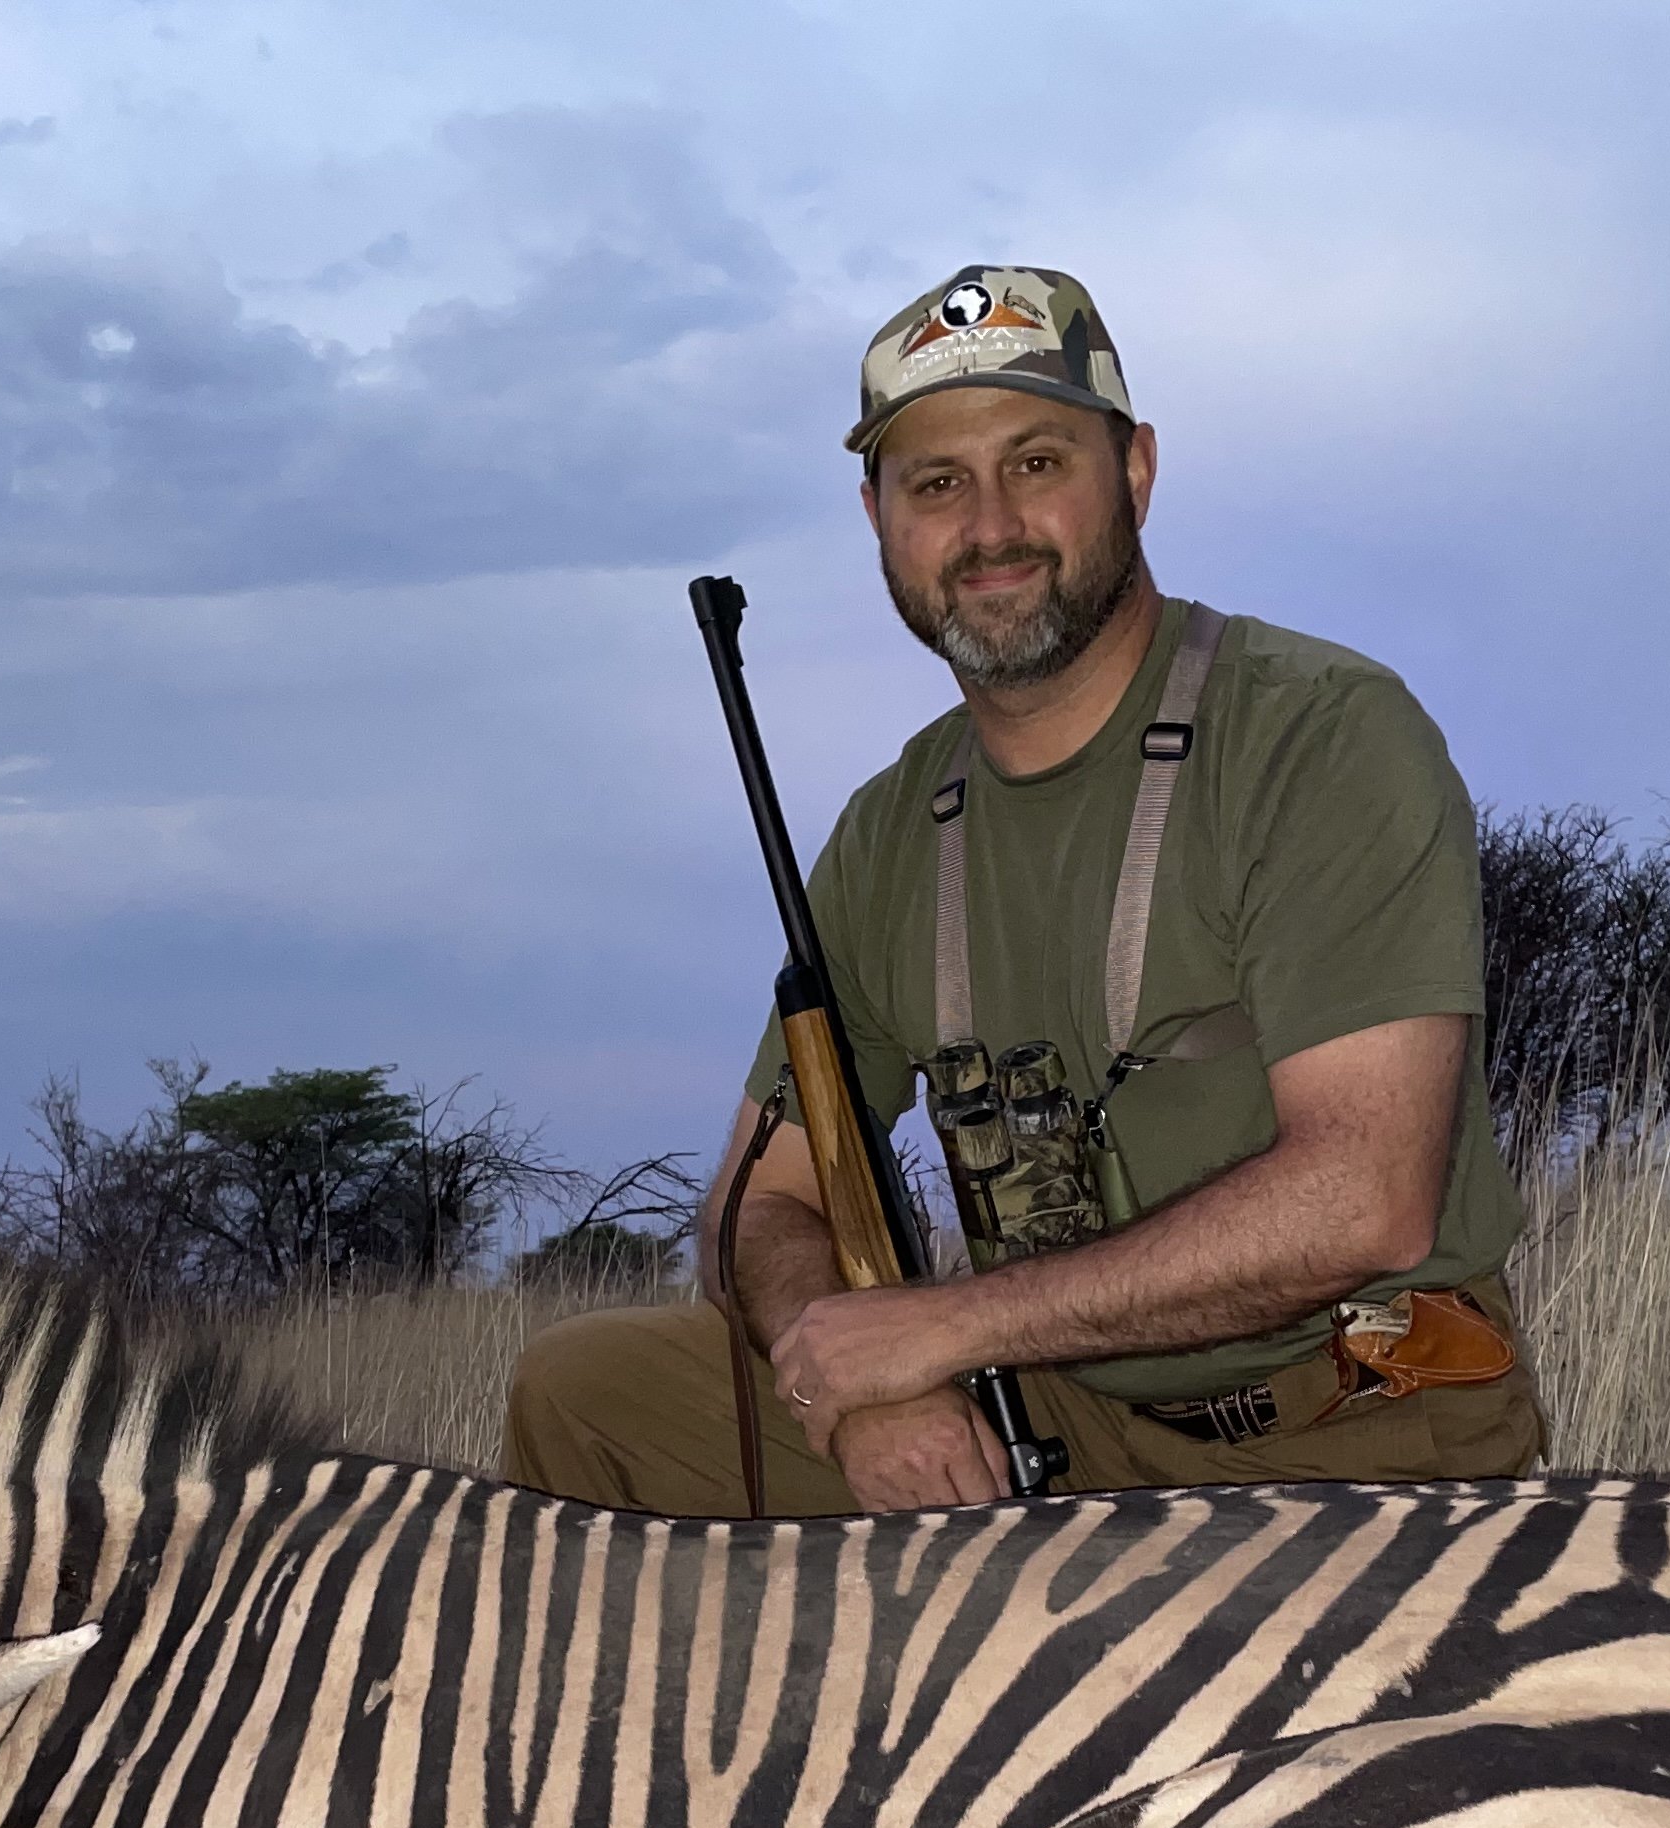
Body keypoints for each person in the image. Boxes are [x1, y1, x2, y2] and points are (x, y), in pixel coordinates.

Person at [506, 265, 1543, 1517]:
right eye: (935, 483)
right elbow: (755, 1202)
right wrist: (859, 1383)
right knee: (581, 1394)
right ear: (879, 517)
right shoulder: (893, 829)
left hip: (1352, 1421)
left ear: (1138, 470)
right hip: (1051, 1417)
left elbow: (1364, 1201)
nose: (988, 525)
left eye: (1038, 462)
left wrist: (941, 1329)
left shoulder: (1320, 734)